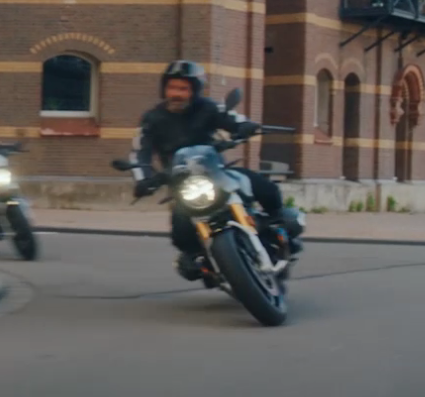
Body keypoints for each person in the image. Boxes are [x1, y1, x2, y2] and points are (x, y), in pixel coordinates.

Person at [128, 60, 301, 281]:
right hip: (182, 182)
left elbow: (231, 118)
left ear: (194, 91)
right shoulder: (152, 119)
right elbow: (139, 152)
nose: (176, 94)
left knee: (264, 187)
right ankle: (201, 259)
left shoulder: (208, 108)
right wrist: (144, 179)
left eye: (183, 88)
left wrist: (244, 126)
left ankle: (279, 225)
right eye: (172, 87)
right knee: (181, 229)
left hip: (215, 172)